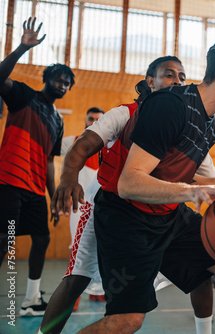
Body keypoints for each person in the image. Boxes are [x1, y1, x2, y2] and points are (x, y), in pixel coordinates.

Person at [77, 35, 215, 334]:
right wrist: (193, 192)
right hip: (127, 217)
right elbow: (130, 182)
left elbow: (173, 173)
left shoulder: (214, 123)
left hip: (167, 214)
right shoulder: (169, 106)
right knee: (127, 321)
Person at [40, 56, 215, 334]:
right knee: (77, 278)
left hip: (157, 212)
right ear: (151, 82)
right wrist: (68, 179)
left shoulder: (190, 124)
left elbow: (210, 179)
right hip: (108, 203)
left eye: (182, 77)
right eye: (169, 75)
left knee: (201, 269)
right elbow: (82, 145)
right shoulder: (126, 113)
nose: (177, 81)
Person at [0, 17, 75, 317]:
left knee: (42, 238)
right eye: (59, 79)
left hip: (33, 188)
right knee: (5, 238)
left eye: (68, 83)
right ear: (47, 78)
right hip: (9, 180)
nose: (63, 85)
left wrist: (54, 195)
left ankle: (32, 299)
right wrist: (21, 47)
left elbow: (48, 161)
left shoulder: (58, 120)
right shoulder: (23, 96)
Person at [61, 107, 104, 248]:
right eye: (91, 119)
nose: (94, 122)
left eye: (98, 119)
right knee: (78, 246)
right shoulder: (71, 142)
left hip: (103, 205)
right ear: (85, 120)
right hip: (79, 204)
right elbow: (49, 146)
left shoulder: (111, 147)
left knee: (100, 248)